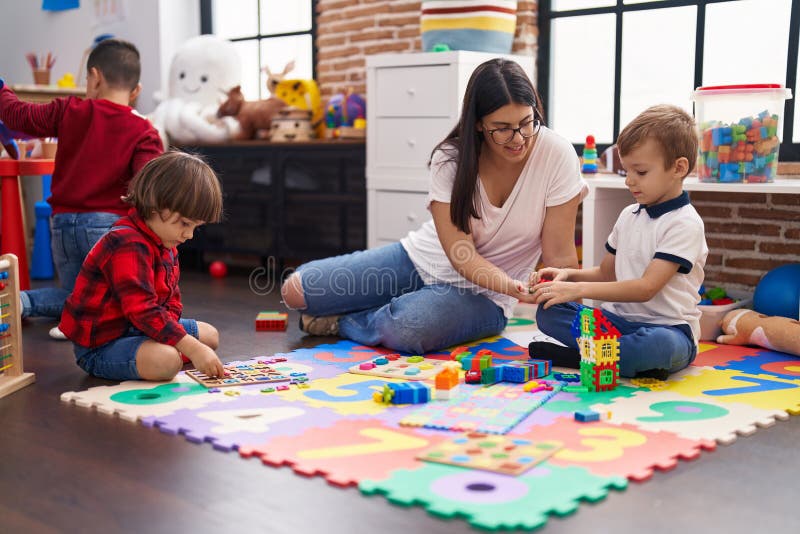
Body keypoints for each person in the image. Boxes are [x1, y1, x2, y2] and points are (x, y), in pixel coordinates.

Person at [281, 58, 587, 354]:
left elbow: (560, 256)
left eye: (526, 122)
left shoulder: (556, 155)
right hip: (421, 259)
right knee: (295, 291)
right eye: (503, 128)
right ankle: (398, 305)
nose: (519, 138)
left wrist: (561, 308)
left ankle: (344, 322)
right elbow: (461, 254)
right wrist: (514, 285)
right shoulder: (450, 157)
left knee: (409, 328)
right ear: (479, 124)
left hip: (487, 296)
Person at [0, 38, 163, 339]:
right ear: (136, 91)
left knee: (74, 291)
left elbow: (19, 115)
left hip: (62, 224)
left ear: (95, 77)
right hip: (107, 229)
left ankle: (20, 301)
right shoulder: (144, 132)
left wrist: (2, 91)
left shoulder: (68, 110)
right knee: (117, 297)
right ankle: (80, 320)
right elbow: (148, 181)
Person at [530, 104, 708, 379]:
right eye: (627, 172)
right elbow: (605, 272)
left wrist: (576, 291)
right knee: (549, 312)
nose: (630, 182)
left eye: (641, 172)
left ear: (678, 167)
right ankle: (613, 359)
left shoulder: (684, 223)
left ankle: (584, 358)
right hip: (616, 325)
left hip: (670, 331)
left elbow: (646, 288)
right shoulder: (629, 215)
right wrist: (568, 278)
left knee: (657, 347)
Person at [59, 151, 225, 381]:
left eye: (195, 227)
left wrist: (173, 336)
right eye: (185, 223)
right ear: (156, 205)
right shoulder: (126, 242)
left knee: (210, 335)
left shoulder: (166, 241)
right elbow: (142, 309)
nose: (189, 235)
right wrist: (190, 348)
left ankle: (156, 349)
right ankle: (155, 353)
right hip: (103, 345)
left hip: (138, 329)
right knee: (168, 361)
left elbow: (171, 298)